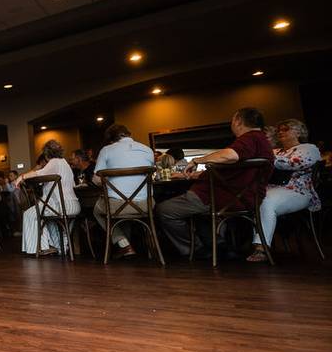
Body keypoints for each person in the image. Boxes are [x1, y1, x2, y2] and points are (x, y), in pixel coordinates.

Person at [157, 107, 274, 257]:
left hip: (217, 197)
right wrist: (189, 176)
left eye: (232, 121)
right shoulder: (260, 140)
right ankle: (218, 244)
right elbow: (230, 171)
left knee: (164, 210)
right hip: (237, 195)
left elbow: (230, 156)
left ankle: (197, 249)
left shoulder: (250, 138)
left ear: (238, 121)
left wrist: (197, 159)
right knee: (197, 214)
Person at [247, 119, 322, 262]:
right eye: (279, 130)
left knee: (265, 200)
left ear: (299, 132)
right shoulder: (275, 151)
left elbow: (295, 163)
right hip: (273, 190)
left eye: (286, 129)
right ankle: (233, 245)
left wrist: (267, 159)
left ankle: (261, 248)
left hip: (298, 191)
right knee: (250, 198)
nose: (280, 132)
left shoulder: (308, 148)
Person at [92, 124, 155, 258]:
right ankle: (137, 248)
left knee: (98, 210)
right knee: (121, 209)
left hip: (117, 206)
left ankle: (123, 244)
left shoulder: (107, 150)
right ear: (128, 134)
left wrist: (110, 179)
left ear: (111, 140)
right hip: (146, 205)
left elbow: (96, 180)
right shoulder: (147, 149)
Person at [14, 140, 80, 255]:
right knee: (49, 219)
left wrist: (21, 177)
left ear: (46, 154)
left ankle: (42, 248)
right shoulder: (65, 164)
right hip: (73, 205)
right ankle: (60, 247)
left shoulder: (54, 162)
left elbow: (39, 173)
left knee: (29, 215)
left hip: (61, 205)